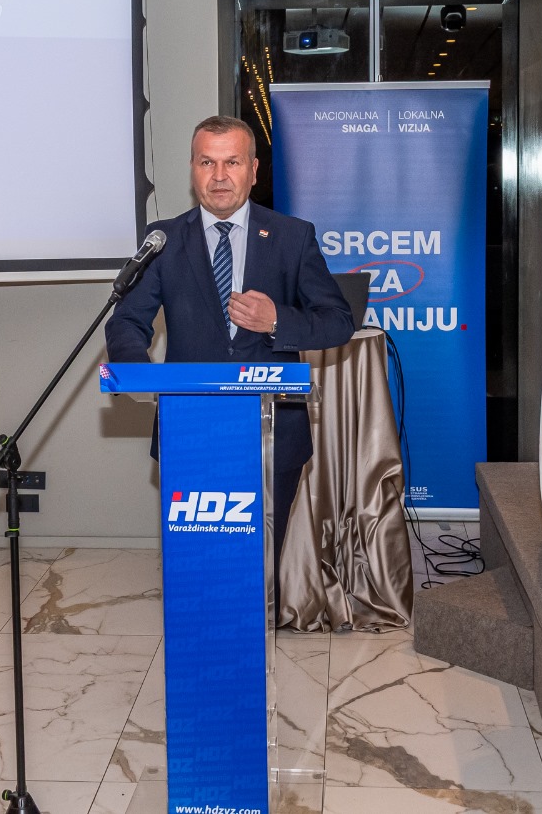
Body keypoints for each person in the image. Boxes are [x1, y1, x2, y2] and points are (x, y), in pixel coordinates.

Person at [105, 115, 355, 559]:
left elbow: (338, 320)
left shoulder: (292, 236)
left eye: (232, 162)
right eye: (207, 162)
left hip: (272, 432)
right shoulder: (163, 240)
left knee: (260, 562)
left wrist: (277, 320)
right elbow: (126, 322)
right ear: (192, 168)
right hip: (189, 429)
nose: (219, 176)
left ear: (253, 170)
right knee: (196, 560)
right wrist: (142, 376)